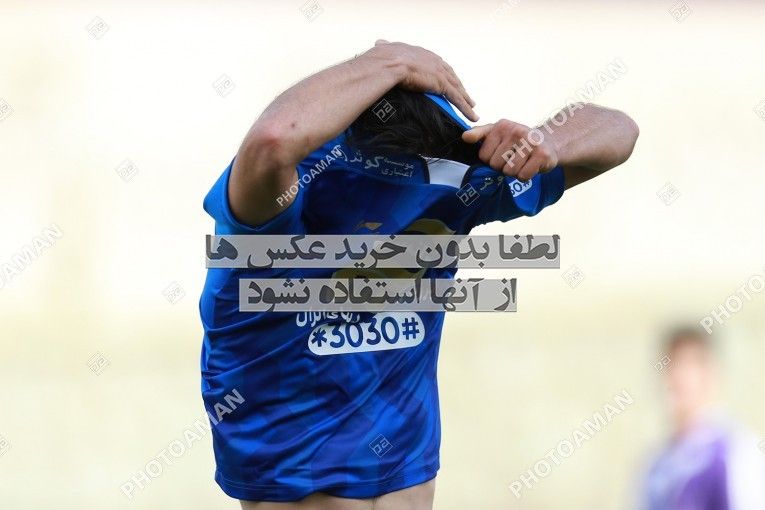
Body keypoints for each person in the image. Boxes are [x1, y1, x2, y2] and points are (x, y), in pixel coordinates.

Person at [199, 40, 639, 509]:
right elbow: (274, 138)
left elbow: (621, 132)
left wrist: (547, 142)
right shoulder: (276, 212)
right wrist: (389, 62)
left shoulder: (449, 190)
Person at [640, 326, 765, 510]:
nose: (679, 377)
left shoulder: (738, 454)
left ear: (711, 375)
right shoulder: (656, 465)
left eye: (690, 366)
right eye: (672, 366)